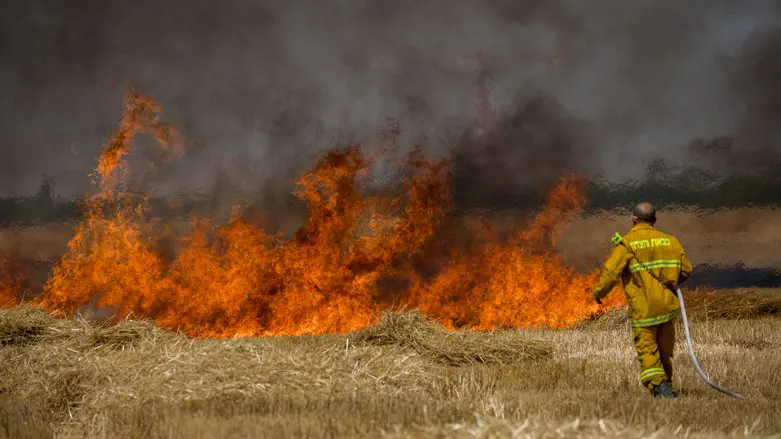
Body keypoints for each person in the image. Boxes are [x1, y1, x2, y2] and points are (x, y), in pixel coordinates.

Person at [592, 202, 693, 398]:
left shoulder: (627, 243)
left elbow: (611, 273)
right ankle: (667, 387)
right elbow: (687, 270)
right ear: (654, 221)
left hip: (645, 309)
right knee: (664, 352)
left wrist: (599, 293)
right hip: (668, 308)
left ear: (633, 219)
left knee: (647, 350)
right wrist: (670, 282)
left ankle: (660, 387)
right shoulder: (670, 241)